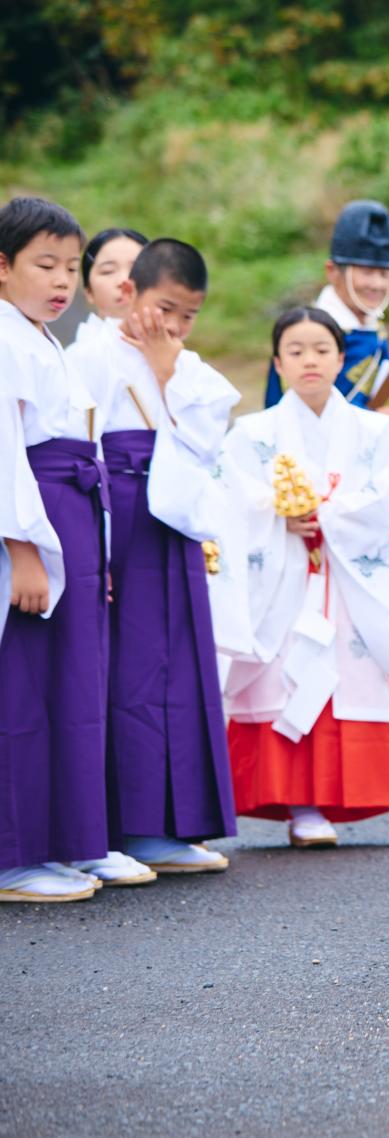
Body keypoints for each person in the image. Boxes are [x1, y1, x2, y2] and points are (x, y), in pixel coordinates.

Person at [217, 307, 389, 848]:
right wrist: (276, 513)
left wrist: (328, 515)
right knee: (286, 680)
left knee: (363, 680)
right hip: (284, 584)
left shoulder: (373, 431)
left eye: (321, 350)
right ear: (277, 363)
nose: (310, 360)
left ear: (340, 358)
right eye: (296, 350)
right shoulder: (250, 434)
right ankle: (302, 806)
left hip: (352, 584)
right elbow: (229, 501)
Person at [68, 238, 239, 875]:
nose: (175, 326)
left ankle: (168, 824)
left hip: (173, 520)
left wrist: (168, 370)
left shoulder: (185, 364)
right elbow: (77, 445)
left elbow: (209, 438)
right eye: (165, 308)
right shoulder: (89, 356)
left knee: (178, 668)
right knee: (123, 672)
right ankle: (121, 826)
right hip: (119, 518)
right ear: (130, 293)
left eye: (188, 315)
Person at [264, 200, 389, 636]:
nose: (375, 282)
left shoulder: (372, 326)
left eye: (384, 272)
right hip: (329, 483)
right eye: (364, 270)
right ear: (333, 271)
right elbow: (287, 412)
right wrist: (370, 421)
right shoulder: (309, 332)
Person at [0, 196, 114, 902]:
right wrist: (22, 551)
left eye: (71, 267)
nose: (62, 281)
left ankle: (53, 842)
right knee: (22, 690)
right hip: (32, 523)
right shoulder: (5, 340)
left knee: (64, 688)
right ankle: (12, 856)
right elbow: (5, 450)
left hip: (67, 514)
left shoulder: (41, 339)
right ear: (1, 266)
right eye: (45, 265)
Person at [72, 227, 147, 344]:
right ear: (89, 291)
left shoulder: (177, 352)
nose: (124, 280)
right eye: (108, 271)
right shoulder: (80, 352)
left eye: (136, 269)